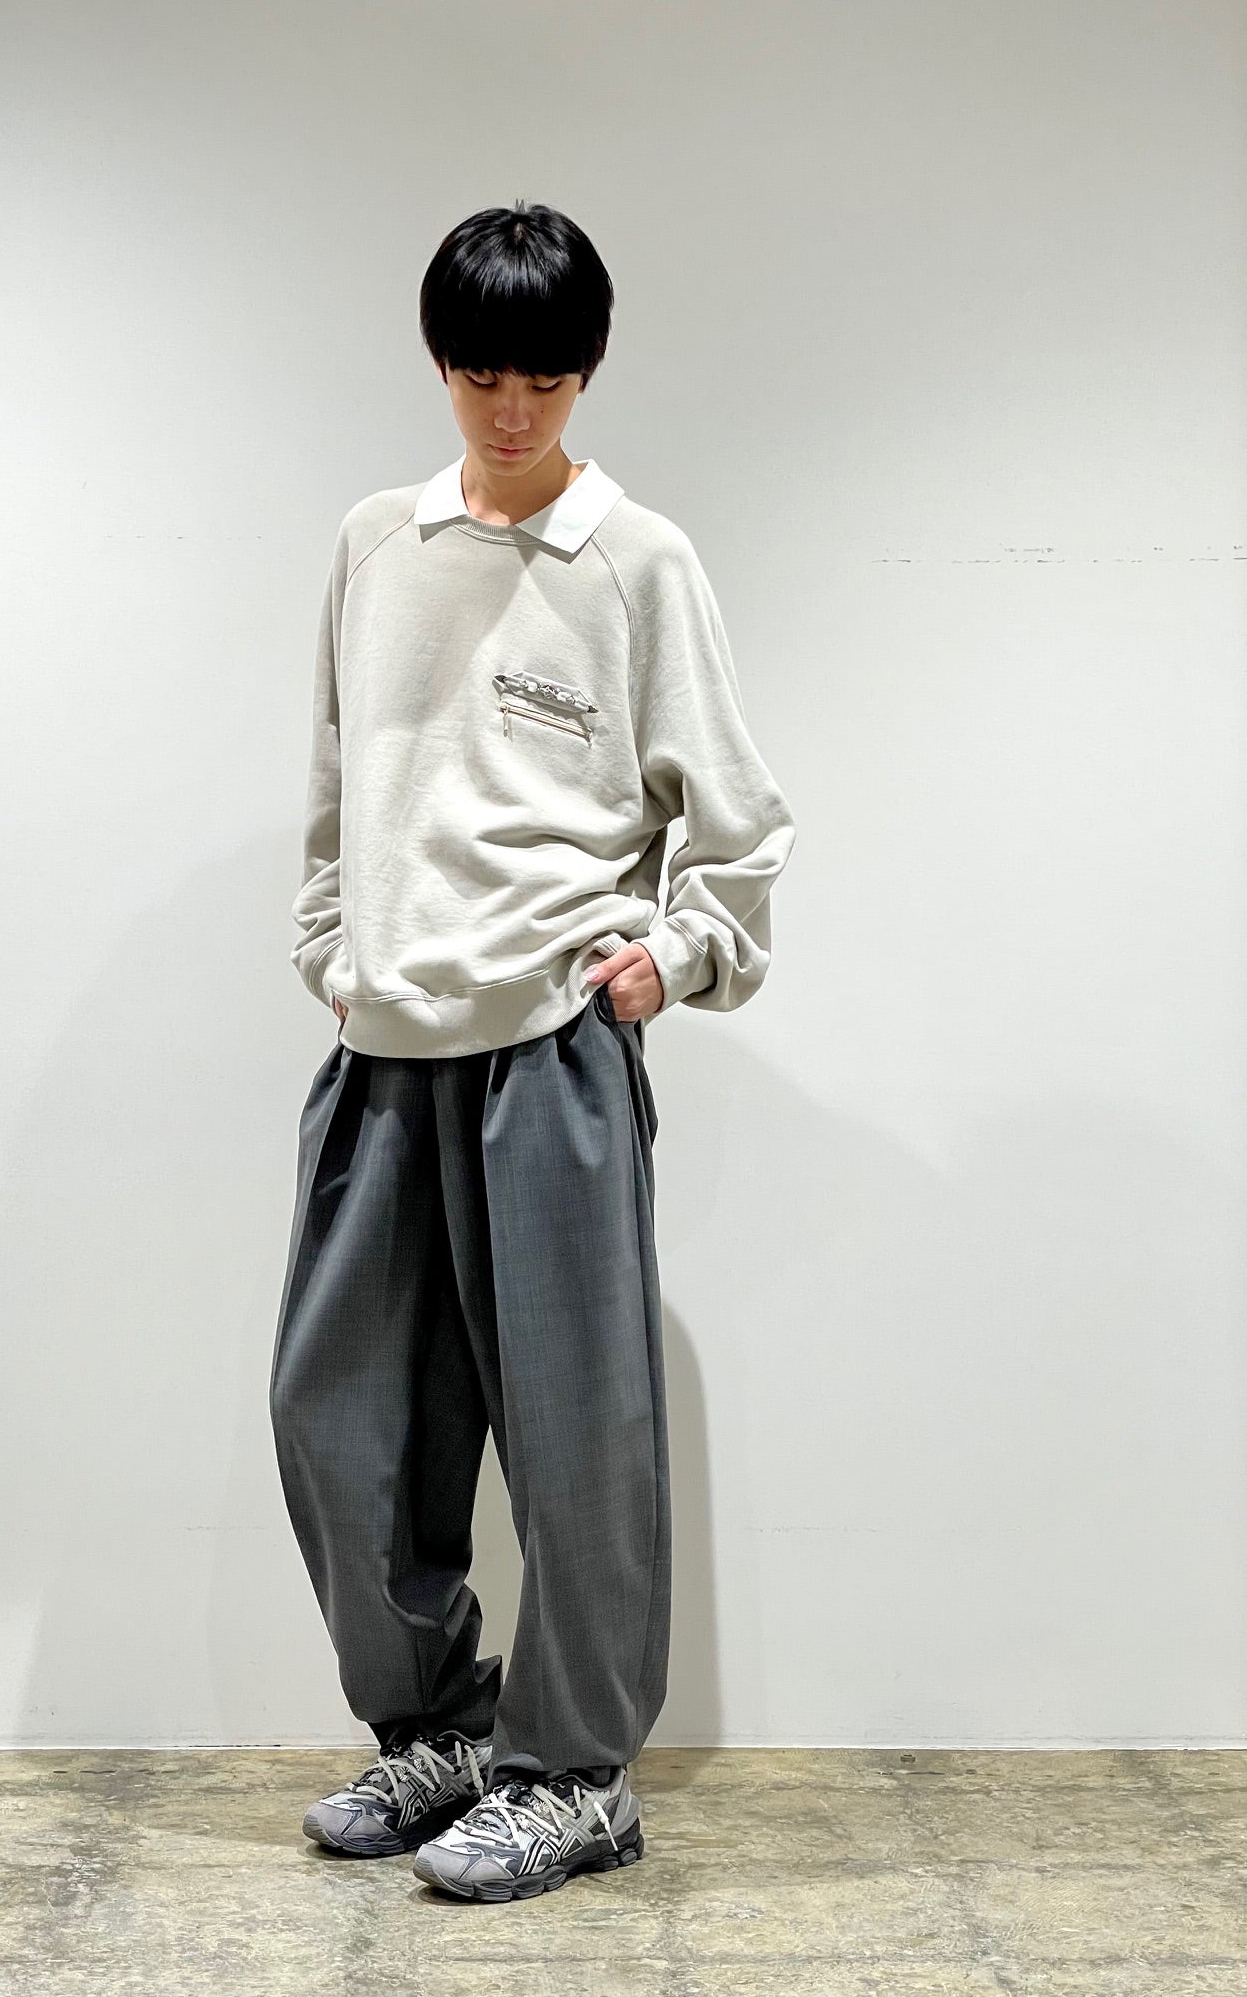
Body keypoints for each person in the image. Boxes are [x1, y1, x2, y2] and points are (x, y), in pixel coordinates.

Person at [269, 199, 795, 1904]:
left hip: (552, 1058)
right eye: (485, 376)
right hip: (385, 1049)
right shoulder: (375, 543)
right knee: (337, 1418)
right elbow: (337, 780)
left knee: (578, 1440)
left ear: (589, 372)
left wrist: (678, 958)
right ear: (440, 364)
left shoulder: (637, 561)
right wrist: (331, 950)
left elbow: (739, 825)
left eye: (547, 380)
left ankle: (576, 1778)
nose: (513, 411)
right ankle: (437, 1727)